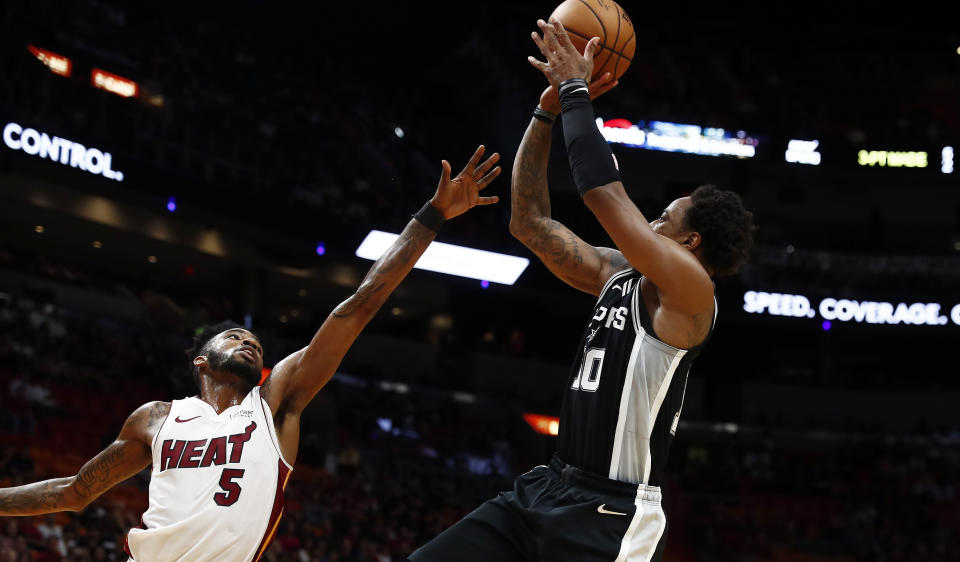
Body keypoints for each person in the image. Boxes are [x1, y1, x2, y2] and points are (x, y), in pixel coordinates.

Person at [0, 146, 502, 562]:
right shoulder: (156, 419)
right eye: (235, 337)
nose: (249, 342)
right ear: (201, 359)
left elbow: (360, 304)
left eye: (255, 343)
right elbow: (75, 491)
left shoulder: (275, 402)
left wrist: (432, 215)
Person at [409, 20, 754, 562]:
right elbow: (529, 223)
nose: (651, 225)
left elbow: (602, 195)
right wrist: (546, 111)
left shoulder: (693, 293)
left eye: (663, 219)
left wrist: (575, 91)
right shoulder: (618, 274)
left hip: (610, 515)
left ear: (691, 241)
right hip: (547, 485)